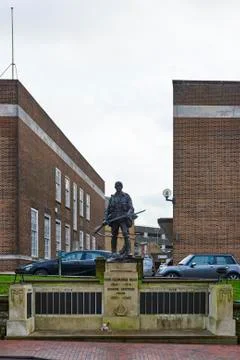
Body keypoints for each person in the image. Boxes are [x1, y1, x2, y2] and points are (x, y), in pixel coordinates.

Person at [105, 181, 134, 256]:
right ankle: (113, 252)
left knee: (125, 233)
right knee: (114, 235)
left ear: (121, 187)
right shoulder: (112, 198)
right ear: (115, 187)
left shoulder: (126, 196)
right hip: (114, 219)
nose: (118, 187)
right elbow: (107, 210)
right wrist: (106, 219)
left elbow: (131, 208)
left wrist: (128, 213)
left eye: (119, 186)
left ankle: (128, 251)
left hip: (123, 218)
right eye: (116, 186)